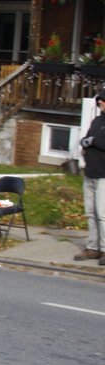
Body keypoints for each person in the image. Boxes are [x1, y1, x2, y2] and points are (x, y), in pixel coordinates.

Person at [75, 89, 105, 262]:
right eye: (99, 100)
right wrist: (88, 141)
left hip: (103, 175)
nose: (100, 102)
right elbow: (85, 139)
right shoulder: (96, 120)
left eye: (103, 100)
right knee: (90, 212)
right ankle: (92, 247)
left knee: (102, 214)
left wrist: (92, 141)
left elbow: (98, 141)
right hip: (90, 172)